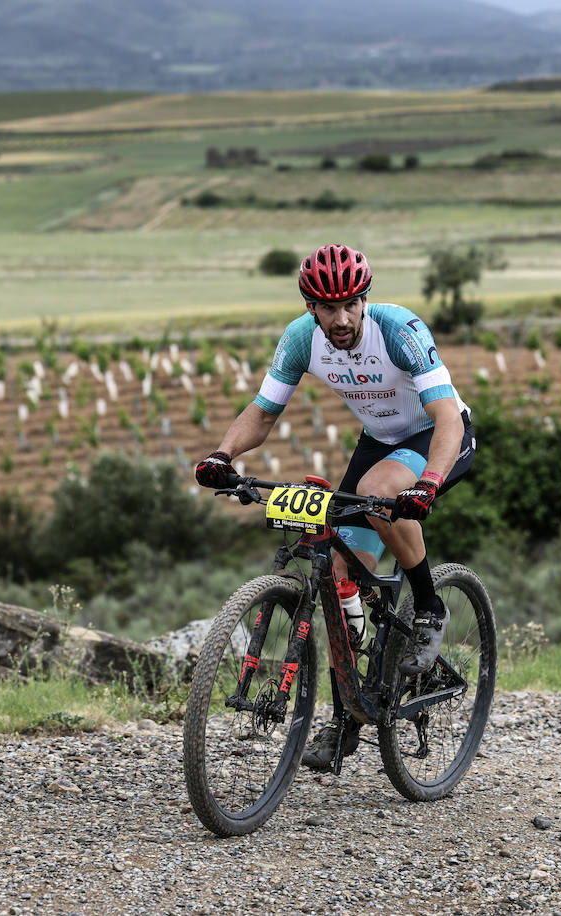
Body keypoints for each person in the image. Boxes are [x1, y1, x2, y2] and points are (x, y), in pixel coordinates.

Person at [194, 242, 476, 770]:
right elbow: (263, 411)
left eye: (351, 304)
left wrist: (430, 482)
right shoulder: (301, 339)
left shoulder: (399, 330)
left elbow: (446, 416)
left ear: (364, 299)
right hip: (380, 439)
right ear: (311, 308)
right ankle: (351, 712)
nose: (342, 318)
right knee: (341, 568)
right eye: (329, 308)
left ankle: (429, 608)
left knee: (380, 493)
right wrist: (223, 454)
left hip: (439, 436)